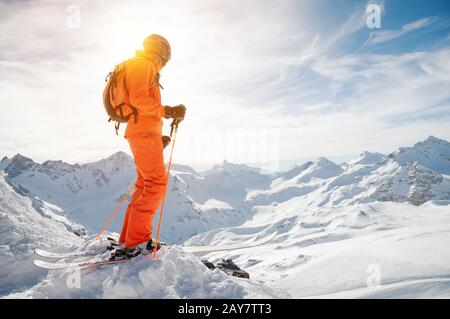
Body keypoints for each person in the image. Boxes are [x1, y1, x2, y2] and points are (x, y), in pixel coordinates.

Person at [115, 34, 186, 257]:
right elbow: (139, 99)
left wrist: (159, 137)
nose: (166, 62)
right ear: (162, 53)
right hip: (143, 132)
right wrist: (167, 112)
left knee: (144, 184)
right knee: (155, 183)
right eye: (166, 57)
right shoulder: (144, 64)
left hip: (144, 132)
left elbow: (141, 107)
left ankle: (129, 238)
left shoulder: (142, 66)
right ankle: (136, 240)